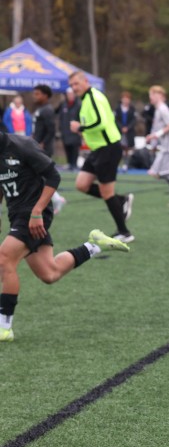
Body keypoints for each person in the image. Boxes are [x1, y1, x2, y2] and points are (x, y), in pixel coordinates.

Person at [0, 130, 130, 342]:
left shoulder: (22, 145)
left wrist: (37, 212)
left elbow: (53, 176)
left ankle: (4, 328)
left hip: (35, 213)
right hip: (18, 216)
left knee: (4, 258)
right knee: (50, 274)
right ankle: (95, 245)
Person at [68, 71, 134, 243]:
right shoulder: (85, 100)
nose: (74, 88)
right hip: (97, 150)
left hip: (108, 149)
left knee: (106, 192)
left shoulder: (94, 97)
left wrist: (80, 128)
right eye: (72, 85)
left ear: (85, 81)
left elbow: (100, 122)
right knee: (81, 185)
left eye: (77, 83)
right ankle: (121, 200)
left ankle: (124, 232)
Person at [31, 85, 67, 213]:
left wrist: (43, 144)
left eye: (37, 94)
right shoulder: (40, 109)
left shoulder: (47, 110)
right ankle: (56, 198)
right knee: (37, 176)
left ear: (45, 95)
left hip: (42, 149)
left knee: (42, 176)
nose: (34, 96)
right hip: (35, 146)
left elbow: (51, 130)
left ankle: (55, 199)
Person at [57, 87, 81, 171]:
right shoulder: (63, 104)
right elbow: (59, 116)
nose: (70, 96)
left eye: (71, 94)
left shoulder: (79, 104)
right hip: (65, 132)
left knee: (74, 149)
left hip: (75, 133)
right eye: (68, 94)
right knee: (67, 148)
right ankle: (69, 164)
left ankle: (74, 165)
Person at [114, 91, 137, 172]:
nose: (125, 101)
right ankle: (116, 164)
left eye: (127, 99)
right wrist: (121, 127)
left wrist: (128, 128)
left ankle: (126, 164)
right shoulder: (117, 108)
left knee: (127, 148)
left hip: (129, 132)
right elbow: (115, 120)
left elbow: (134, 120)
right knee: (119, 148)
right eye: (124, 99)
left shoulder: (132, 108)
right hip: (119, 131)